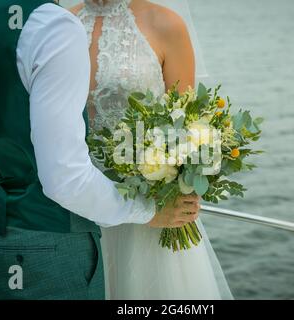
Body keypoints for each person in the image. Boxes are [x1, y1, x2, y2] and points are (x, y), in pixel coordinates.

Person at [0, 0, 199, 299]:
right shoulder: (57, 24)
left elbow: (185, 125)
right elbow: (64, 178)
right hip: (64, 229)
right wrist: (148, 210)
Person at [70, 0, 233, 299]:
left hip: (152, 212)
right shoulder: (61, 24)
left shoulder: (166, 25)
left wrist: (184, 181)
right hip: (74, 207)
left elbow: (189, 122)